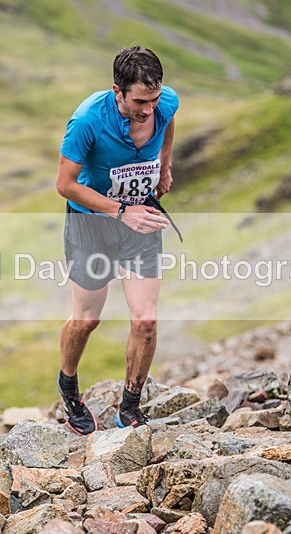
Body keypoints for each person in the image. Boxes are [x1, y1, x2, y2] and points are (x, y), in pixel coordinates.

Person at [54, 46, 178, 435]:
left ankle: (131, 405)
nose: (148, 110)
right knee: (88, 319)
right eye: (140, 102)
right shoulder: (88, 120)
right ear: (117, 91)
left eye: (154, 100)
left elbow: (170, 120)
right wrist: (120, 211)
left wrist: (165, 165)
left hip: (141, 221)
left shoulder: (165, 103)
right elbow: (64, 185)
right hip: (92, 225)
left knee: (146, 320)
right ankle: (69, 386)